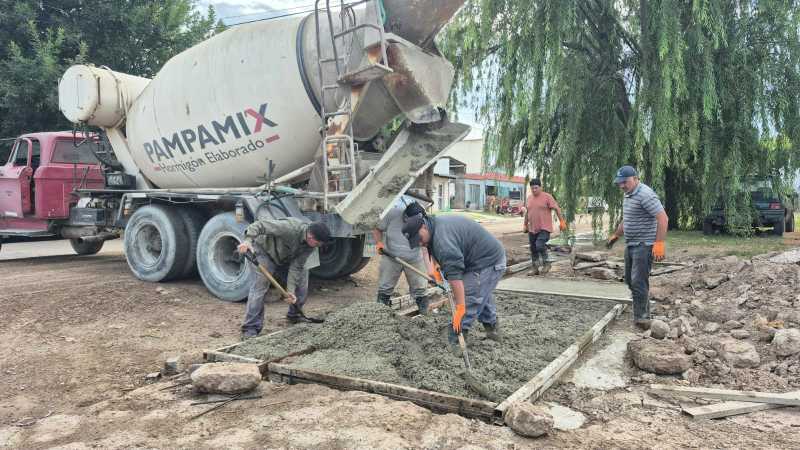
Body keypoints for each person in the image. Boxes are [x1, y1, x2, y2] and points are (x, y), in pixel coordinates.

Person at [402, 213, 506, 345]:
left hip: (488, 262)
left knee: (469, 297)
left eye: (420, 238)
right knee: (480, 292)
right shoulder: (433, 225)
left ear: (423, 226)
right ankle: (493, 330)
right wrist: (437, 265)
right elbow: (431, 247)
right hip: (475, 259)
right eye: (416, 242)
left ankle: (456, 339)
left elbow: (455, 278)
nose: (420, 243)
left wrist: (461, 308)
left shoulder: (443, 241)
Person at [237, 218, 332, 339]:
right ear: (311, 237)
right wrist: (248, 241)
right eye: (318, 244)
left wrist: (290, 292)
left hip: (286, 257)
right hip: (264, 252)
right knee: (260, 286)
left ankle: (295, 314)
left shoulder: (311, 245)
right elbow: (260, 225)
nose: (318, 246)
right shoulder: (288, 228)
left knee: (302, 276)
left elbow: (296, 267)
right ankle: (250, 328)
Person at [606, 166, 668, 329]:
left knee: (638, 280)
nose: (622, 186)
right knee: (629, 279)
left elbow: (663, 218)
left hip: (644, 244)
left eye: (625, 182)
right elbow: (627, 219)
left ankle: (642, 317)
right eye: (619, 183)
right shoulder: (628, 195)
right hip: (631, 244)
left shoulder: (645, 194)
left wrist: (659, 244)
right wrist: (616, 235)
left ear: (635, 178)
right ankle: (643, 310)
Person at [373, 202, 431, 314]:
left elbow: (427, 245)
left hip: (415, 259)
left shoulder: (425, 222)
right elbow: (377, 228)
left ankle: (425, 315)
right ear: (405, 215)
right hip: (391, 257)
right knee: (385, 287)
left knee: (420, 288)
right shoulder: (392, 214)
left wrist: (431, 268)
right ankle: (380, 314)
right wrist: (379, 243)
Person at [523, 178, 567, 275]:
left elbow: (557, 209)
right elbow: (527, 213)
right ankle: (535, 268)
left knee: (539, 245)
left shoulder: (547, 197)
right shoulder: (529, 198)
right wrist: (525, 224)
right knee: (533, 249)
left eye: (536, 188)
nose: (534, 190)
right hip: (532, 228)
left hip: (544, 228)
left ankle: (547, 263)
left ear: (540, 187)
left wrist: (562, 222)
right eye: (532, 188)